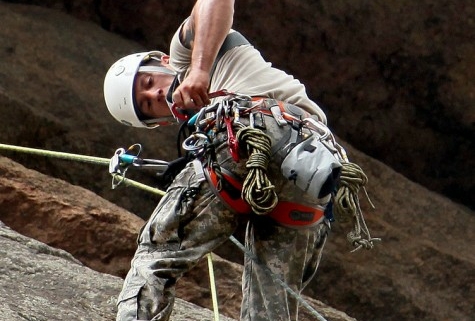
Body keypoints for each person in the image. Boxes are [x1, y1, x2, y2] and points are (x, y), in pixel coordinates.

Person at [103, 1, 340, 320]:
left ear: (160, 62)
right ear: (158, 123)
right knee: (270, 308)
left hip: (249, 132)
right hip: (311, 171)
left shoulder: (184, 56)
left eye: (148, 83)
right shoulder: (192, 125)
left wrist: (199, 69)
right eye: (148, 107)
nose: (156, 96)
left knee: (154, 256)